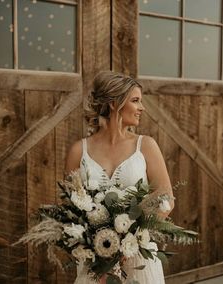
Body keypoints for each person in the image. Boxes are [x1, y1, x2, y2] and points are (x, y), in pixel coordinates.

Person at [65, 71, 174, 284]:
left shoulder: (146, 145)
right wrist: (97, 247)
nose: (141, 108)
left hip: (138, 257)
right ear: (114, 103)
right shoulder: (79, 151)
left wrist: (130, 238)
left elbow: (166, 199)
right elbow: (70, 209)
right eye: (135, 100)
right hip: (95, 264)